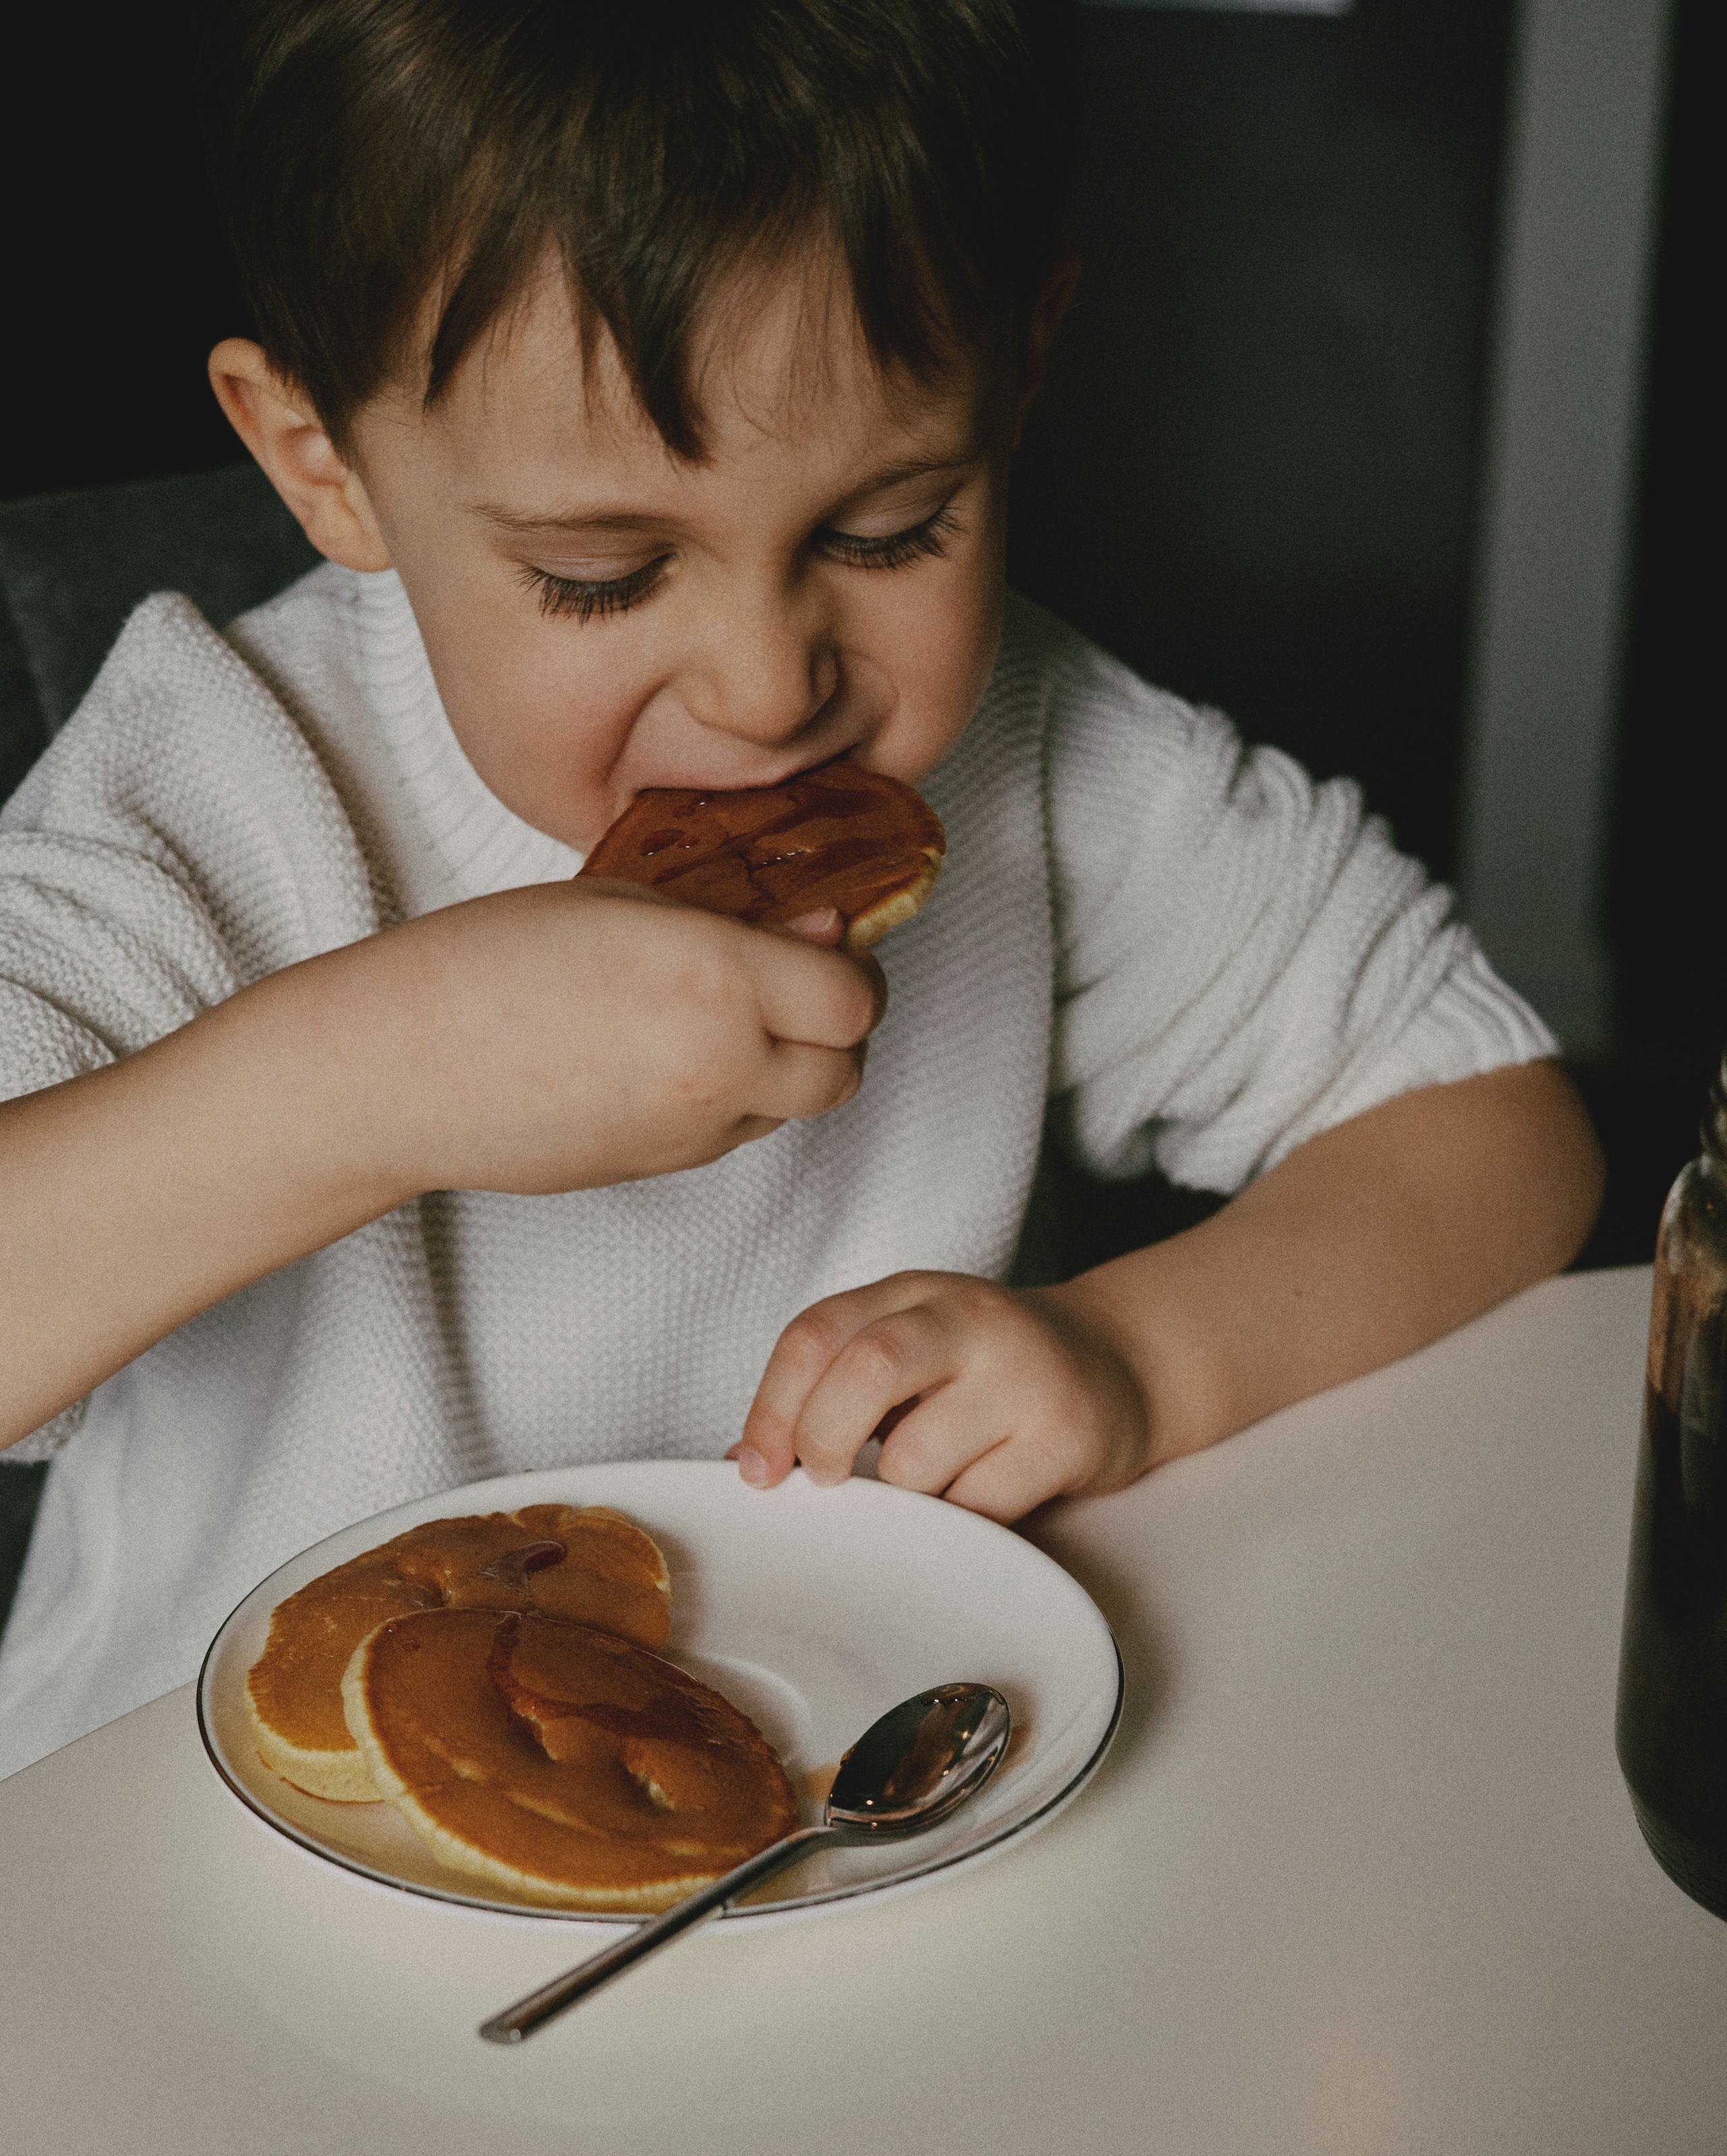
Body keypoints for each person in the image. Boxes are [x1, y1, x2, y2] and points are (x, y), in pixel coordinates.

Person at [0, 0, 1601, 1773]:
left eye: (891, 528)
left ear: (1023, 365)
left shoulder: (1029, 752)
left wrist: (1137, 1358)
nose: (770, 689)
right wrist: (379, 1071)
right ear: (323, 464)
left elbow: (1499, 1129)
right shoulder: (217, 781)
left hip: (836, 1798)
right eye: (604, 575)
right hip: (178, 1855)